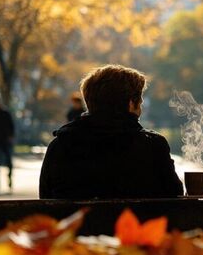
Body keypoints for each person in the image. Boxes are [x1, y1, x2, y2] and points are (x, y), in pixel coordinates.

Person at [39, 64, 183, 199]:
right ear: (131, 103)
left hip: (81, 226)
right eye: (140, 100)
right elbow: (174, 198)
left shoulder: (60, 145)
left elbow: (45, 198)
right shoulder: (153, 146)